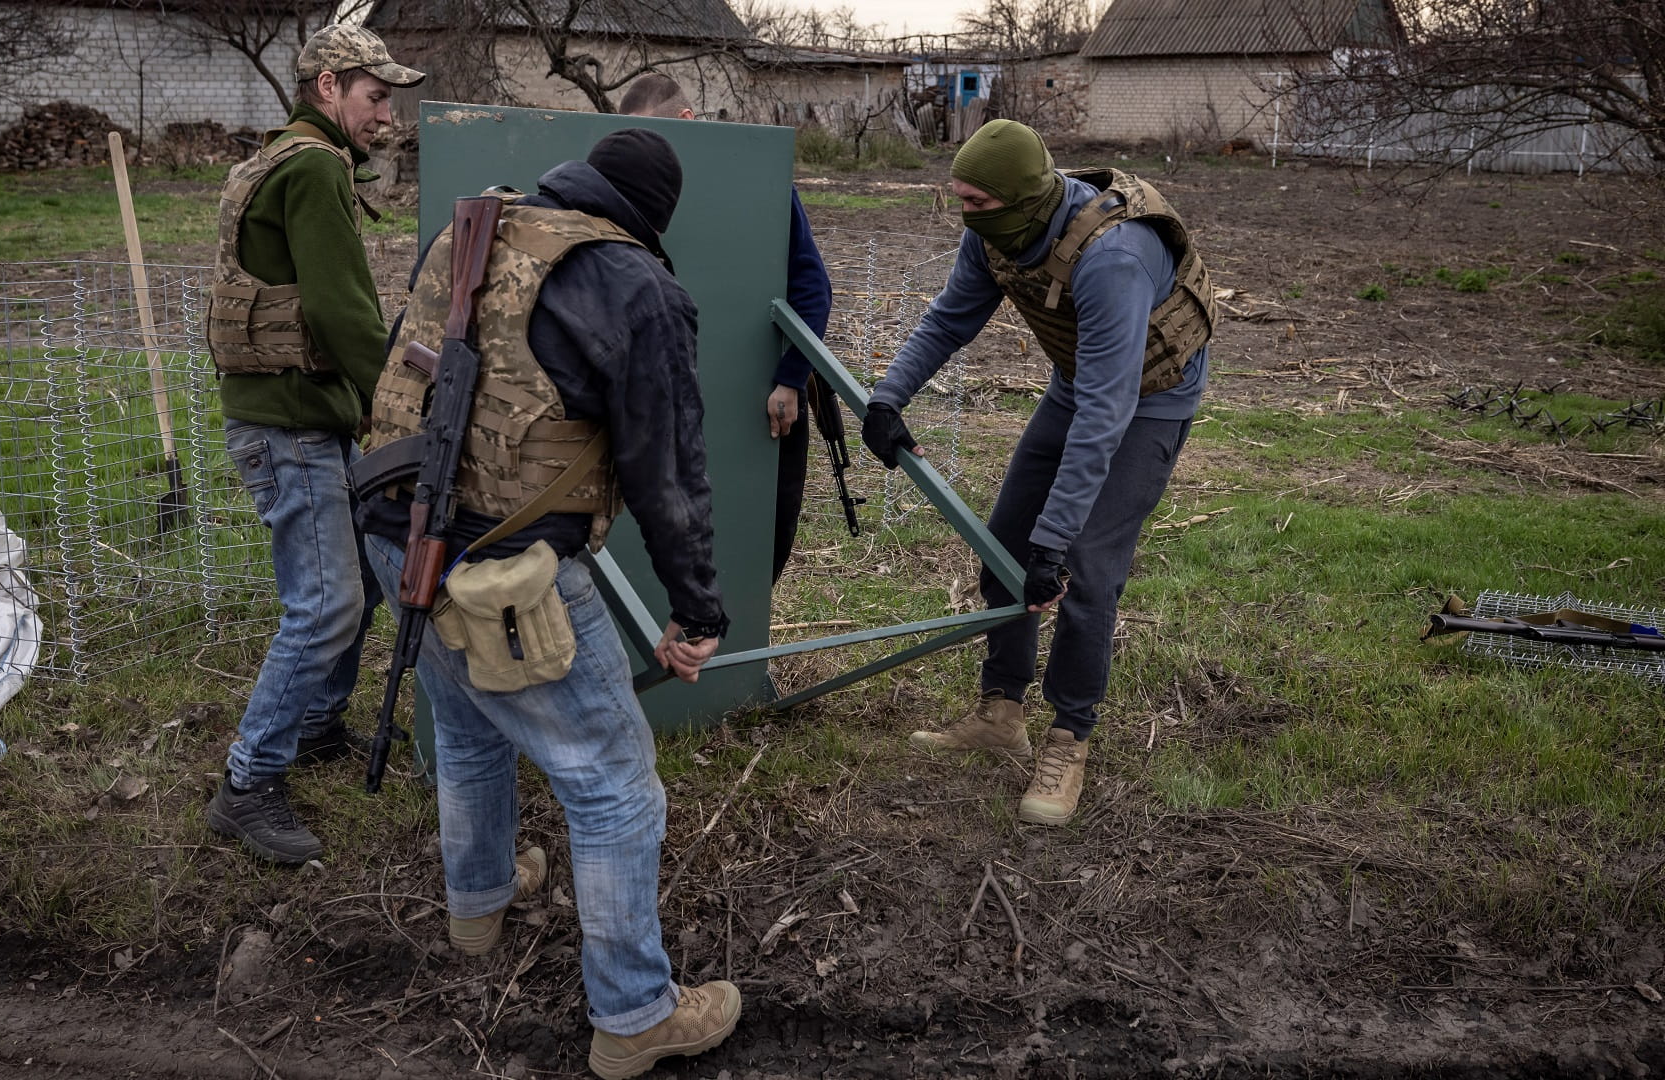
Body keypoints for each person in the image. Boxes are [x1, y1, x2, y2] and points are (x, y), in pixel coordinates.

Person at [360, 128, 740, 1080]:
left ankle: (478, 905)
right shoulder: (638, 288)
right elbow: (670, 476)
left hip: (390, 533)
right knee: (614, 787)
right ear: (653, 218)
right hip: (502, 573)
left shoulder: (480, 228)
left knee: (470, 726)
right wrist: (698, 611)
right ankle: (634, 1016)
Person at [862, 119, 1214, 826]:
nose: (964, 212)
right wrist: (886, 399)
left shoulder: (1113, 258)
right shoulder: (991, 229)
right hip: (1077, 381)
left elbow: (1105, 416)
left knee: (1084, 565)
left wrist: (1056, 541)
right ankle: (999, 715)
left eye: (976, 201)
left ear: (1020, 198)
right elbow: (948, 321)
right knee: (1005, 543)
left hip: (1147, 399)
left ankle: (1068, 739)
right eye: (956, 197)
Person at [200, 25, 424, 864]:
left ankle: (319, 725)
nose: (387, 116)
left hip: (295, 412)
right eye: (375, 97)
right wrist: (401, 402)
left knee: (358, 579)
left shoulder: (278, 157)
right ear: (328, 87)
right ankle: (249, 783)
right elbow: (339, 310)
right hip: (290, 421)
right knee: (325, 601)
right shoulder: (316, 166)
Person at [618, 73, 834, 584]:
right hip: (667, 391)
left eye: (653, 134)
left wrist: (789, 378)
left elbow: (812, 287)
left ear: (687, 121)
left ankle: (739, 646)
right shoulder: (638, 185)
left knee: (762, 530)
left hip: (760, 389)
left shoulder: (755, 179)